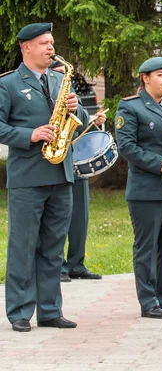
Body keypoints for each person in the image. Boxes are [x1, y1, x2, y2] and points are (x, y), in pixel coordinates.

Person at [0, 22, 88, 332]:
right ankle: (19, 312)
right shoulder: (8, 84)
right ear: (26, 48)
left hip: (60, 174)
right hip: (28, 177)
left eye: (51, 43)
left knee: (54, 246)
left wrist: (80, 108)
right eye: (44, 43)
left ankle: (50, 310)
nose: (51, 48)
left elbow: (83, 120)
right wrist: (30, 134)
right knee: (23, 246)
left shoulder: (59, 78)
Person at [115, 57, 162, 320]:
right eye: (161, 75)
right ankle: (148, 301)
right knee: (147, 246)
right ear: (145, 78)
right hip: (146, 188)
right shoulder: (130, 107)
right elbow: (126, 146)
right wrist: (159, 163)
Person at [47, 60, 105, 283]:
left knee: (80, 216)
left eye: (65, 75)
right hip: (55, 160)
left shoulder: (71, 94)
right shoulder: (46, 93)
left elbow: (80, 122)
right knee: (59, 218)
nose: (64, 78)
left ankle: (76, 264)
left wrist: (88, 116)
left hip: (75, 159)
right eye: (59, 73)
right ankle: (59, 266)